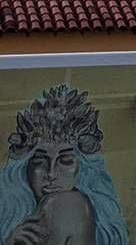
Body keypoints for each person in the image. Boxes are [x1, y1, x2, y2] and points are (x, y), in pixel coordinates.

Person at [0, 86, 128, 245]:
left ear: (82, 167)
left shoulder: (65, 204)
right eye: (39, 161)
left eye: (65, 160)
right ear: (26, 165)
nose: (51, 173)